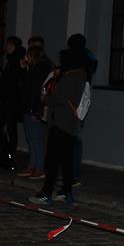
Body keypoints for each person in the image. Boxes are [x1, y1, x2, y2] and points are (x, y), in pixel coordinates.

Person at [28, 48, 87, 205]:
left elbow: (59, 98)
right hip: (71, 124)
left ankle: (46, 193)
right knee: (66, 160)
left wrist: (45, 98)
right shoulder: (81, 75)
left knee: (52, 161)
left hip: (61, 124)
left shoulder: (70, 77)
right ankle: (66, 192)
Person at [66, 33, 97, 186]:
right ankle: (73, 174)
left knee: (73, 140)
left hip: (74, 101)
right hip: (83, 99)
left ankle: (73, 175)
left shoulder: (76, 59)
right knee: (75, 138)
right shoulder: (89, 56)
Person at [17, 45, 53, 179]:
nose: (25, 58)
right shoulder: (32, 69)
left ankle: (39, 167)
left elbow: (34, 93)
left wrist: (34, 111)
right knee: (31, 139)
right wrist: (23, 69)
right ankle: (32, 165)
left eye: (27, 55)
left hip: (34, 110)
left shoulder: (38, 70)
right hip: (29, 109)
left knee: (37, 140)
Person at [0, 36, 25, 162]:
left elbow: (8, 79)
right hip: (7, 100)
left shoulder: (16, 60)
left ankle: (9, 152)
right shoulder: (11, 60)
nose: (5, 47)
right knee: (3, 127)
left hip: (12, 100)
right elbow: (3, 79)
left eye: (7, 44)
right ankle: (8, 151)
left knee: (7, 127)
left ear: (12, 45)